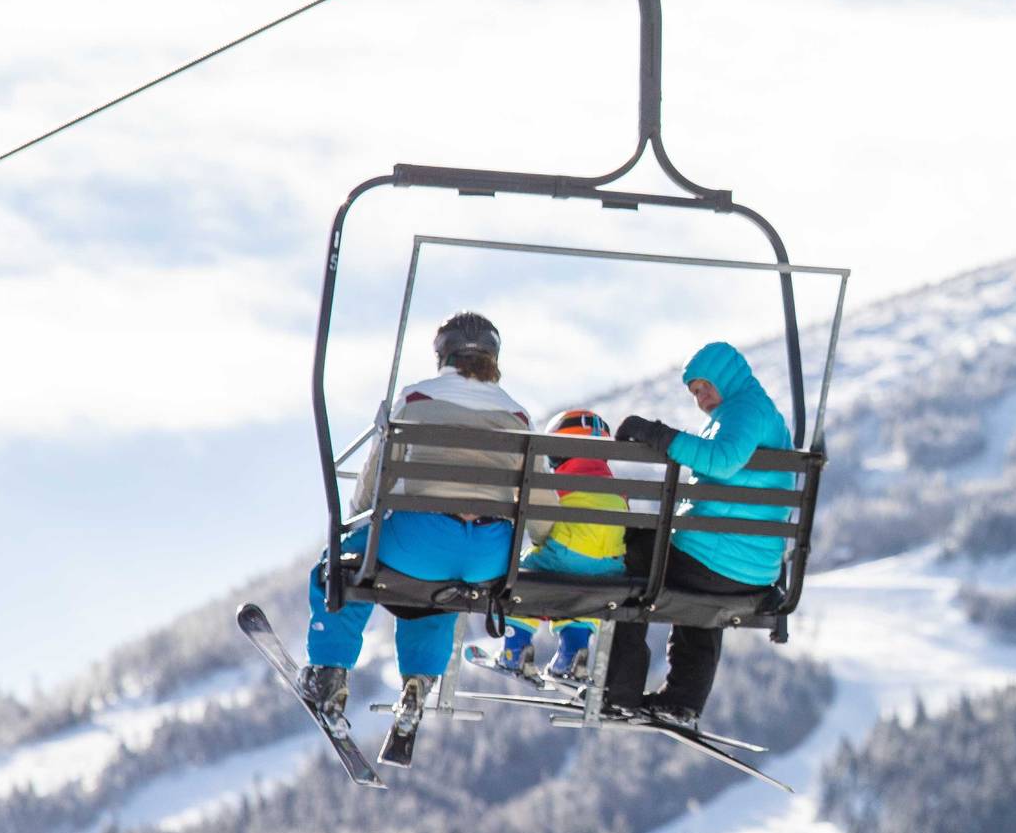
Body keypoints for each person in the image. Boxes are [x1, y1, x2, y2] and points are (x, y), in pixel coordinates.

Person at [302, 311, 531, 722]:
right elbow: (535, 498)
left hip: (419, 541)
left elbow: (376, 479)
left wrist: (359, 523)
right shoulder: (519, 417)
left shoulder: (416, 399)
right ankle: (419, 682)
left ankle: (329, 671)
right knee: (443, 591)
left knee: (345, 567)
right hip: (489, 557)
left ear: (443, 355)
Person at [603, 340, 793, 728]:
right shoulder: (750, 414)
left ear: (727, 377)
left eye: (705, 386)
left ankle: (618, 690)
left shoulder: (745, 409)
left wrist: (656, 434)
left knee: (634, 548)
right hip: (748, 570)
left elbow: (722, 462)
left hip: (718, 558)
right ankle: (682, 700)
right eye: (694, 393)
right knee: (695, 594)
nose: (701, 398)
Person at [495, 408, 627, 680]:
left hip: (568, 554)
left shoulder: (562, 479)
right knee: (580, 591)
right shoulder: (616, 485)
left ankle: (514, 650)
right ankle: (572, 653)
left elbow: (544, 525)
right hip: (610, 569)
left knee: (522, 571)